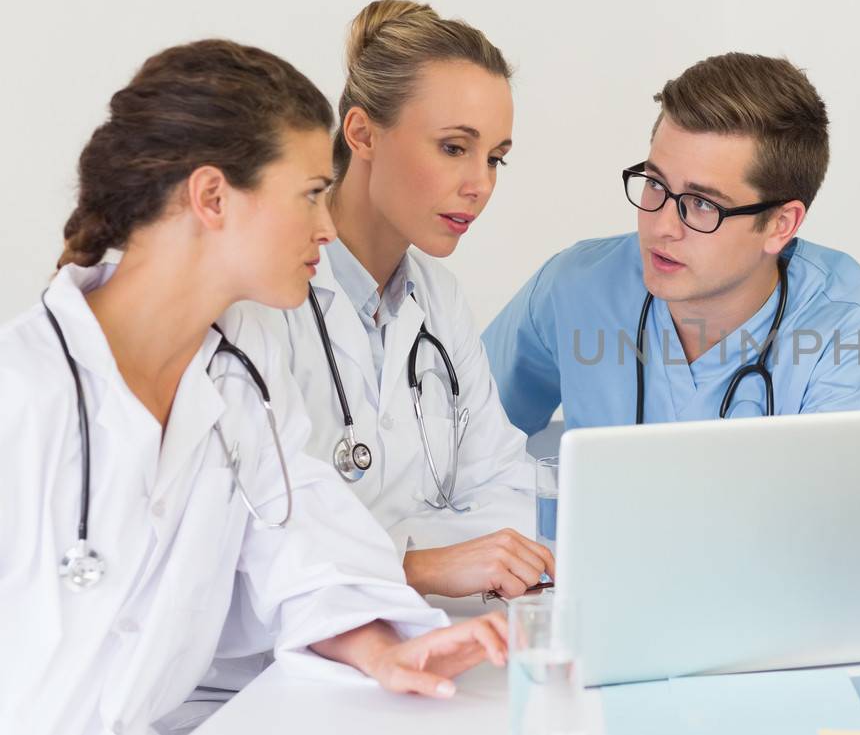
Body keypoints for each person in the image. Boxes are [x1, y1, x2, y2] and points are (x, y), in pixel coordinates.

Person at [0, 39, 505, 735]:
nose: (327, 227)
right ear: (212, 196)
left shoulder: (244, 371)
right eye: (309, 195)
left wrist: (386, 652)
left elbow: (302, 549)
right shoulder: (22, 391)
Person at [244, 0, 550, 600]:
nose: (480, 185)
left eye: (495, 159)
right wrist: (416, 564)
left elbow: (498, 479)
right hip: (266, 669)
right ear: (361, 133)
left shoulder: (436, 300)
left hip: (403, 642)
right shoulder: (262, 294)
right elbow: (255, 534)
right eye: (454, 148)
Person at [482, 52, 860, 431]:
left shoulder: (841, 326)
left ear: (780, 225)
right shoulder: (575, 286)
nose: (662, 225)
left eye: (702, 205)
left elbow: (836, 511)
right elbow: (459, 444)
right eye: (656, 184)